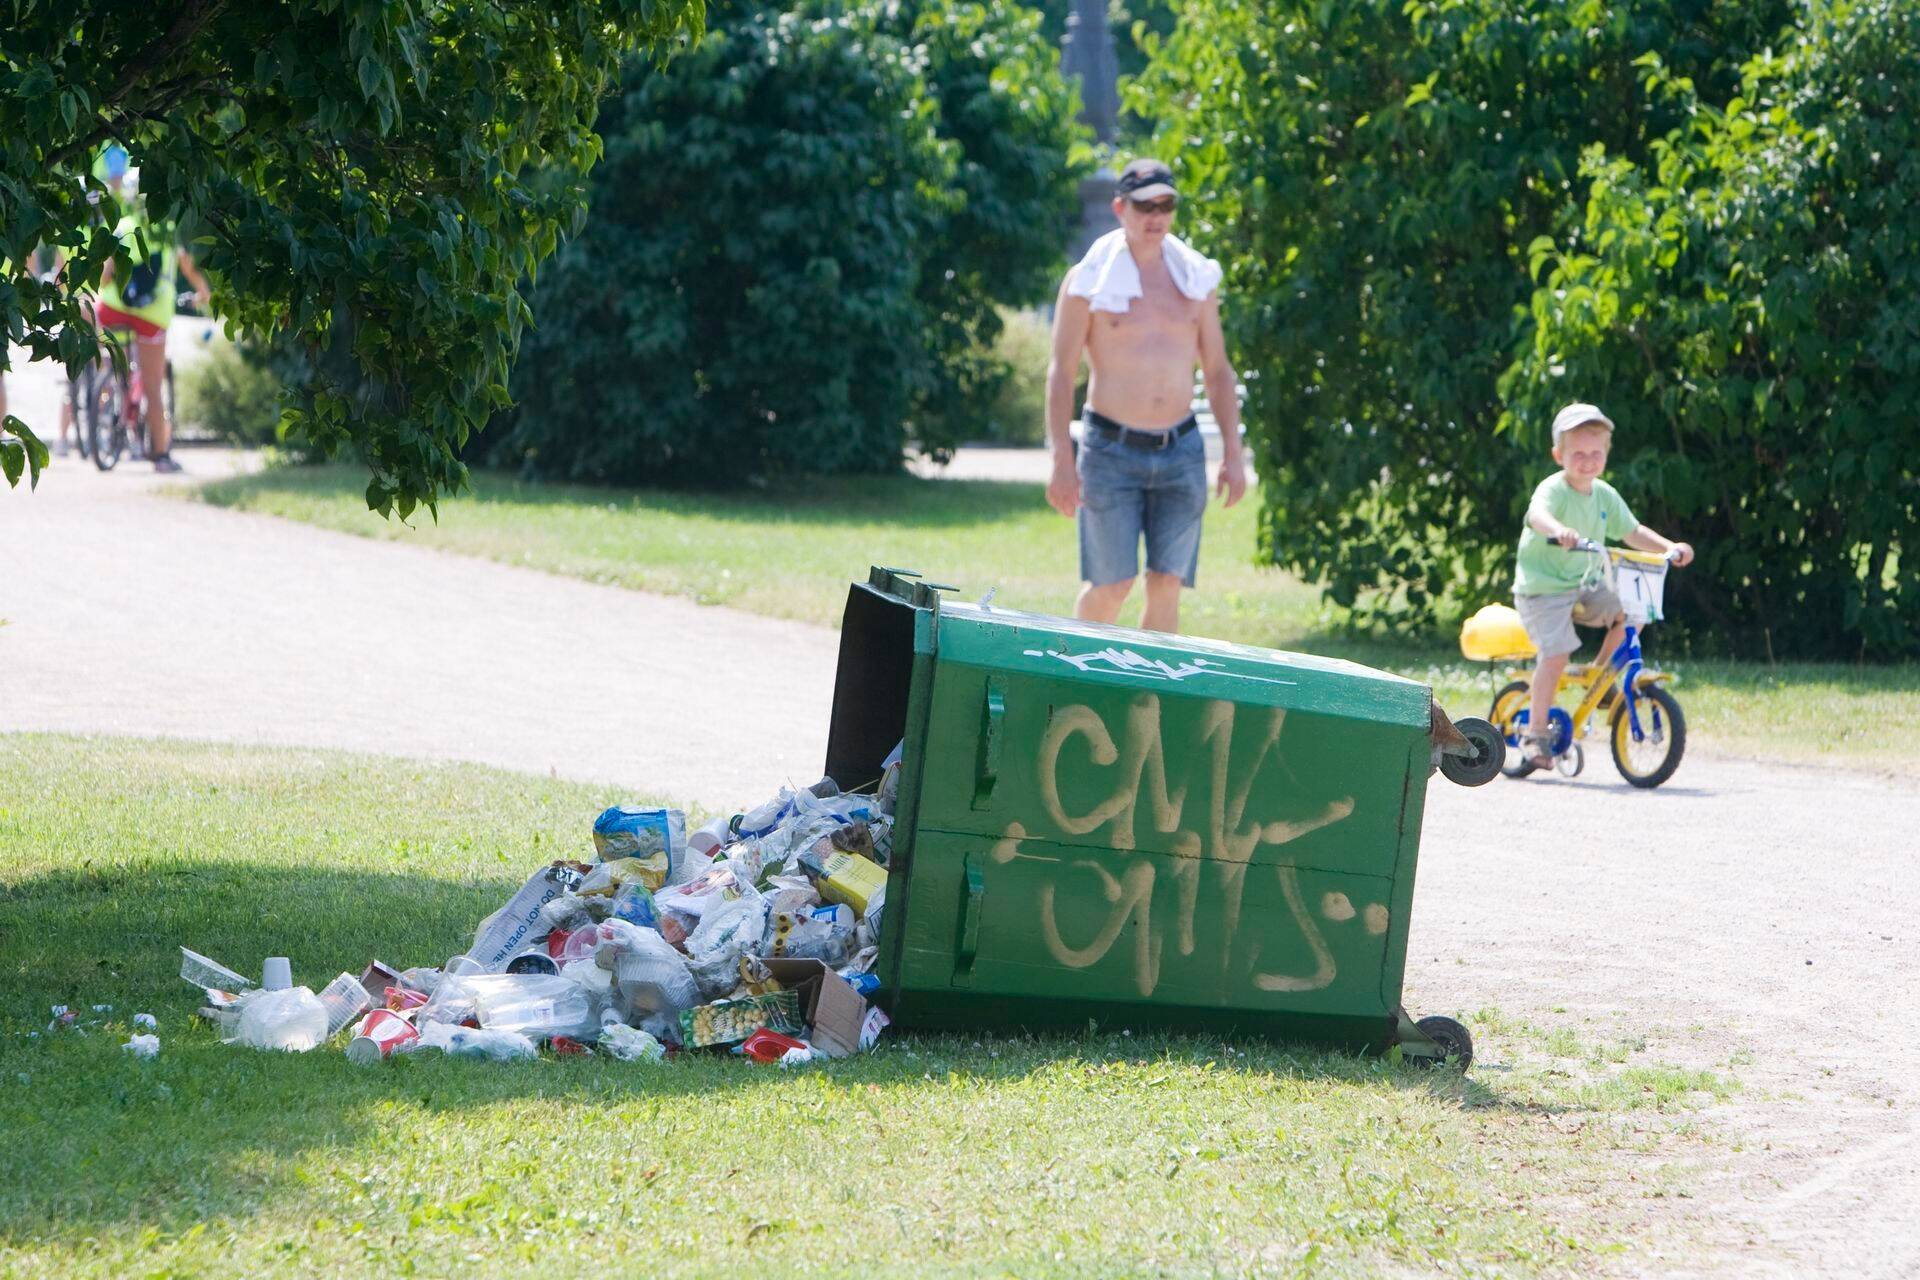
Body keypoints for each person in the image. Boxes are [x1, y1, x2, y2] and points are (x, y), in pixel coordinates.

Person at [1045, 158, 1247, 634]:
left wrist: (1233, 452)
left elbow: (1217, 370)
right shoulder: (1087, 280)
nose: (1156, 216)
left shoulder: (1195, 278)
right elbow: (1061, 372)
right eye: (1144, 206)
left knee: (1167, 583)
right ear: (1120, 208)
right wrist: (1061, 460)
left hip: (1181, 450)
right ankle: (1079, 670)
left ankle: (1147, 683)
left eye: (1166, 205)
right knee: (1111, 585)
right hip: (1109, 451)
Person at [1513, 403, 1695, 770]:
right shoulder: (1554, 489)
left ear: (1606, 455)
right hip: (1542, 588)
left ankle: (1599, 675)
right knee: (1556, 653)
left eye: (1595, 453)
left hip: (1584, 584)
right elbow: (1537, 515)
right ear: (1558, 455)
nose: (1587, 461)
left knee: (1633, 610)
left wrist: (1669, 547)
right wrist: (1558, 530)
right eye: (1578, 454)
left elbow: (1632, 531)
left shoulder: (1604, 495)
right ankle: (1535, 732)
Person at [91, 150, 209, 473]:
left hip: (114, 309)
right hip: (152, 315)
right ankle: (160, 456)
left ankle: (105, 385)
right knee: (154, 389)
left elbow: (105, 276)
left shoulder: (121, 227)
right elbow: (187, 267)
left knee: (106, 345)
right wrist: (204, 291)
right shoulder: (166, 231)